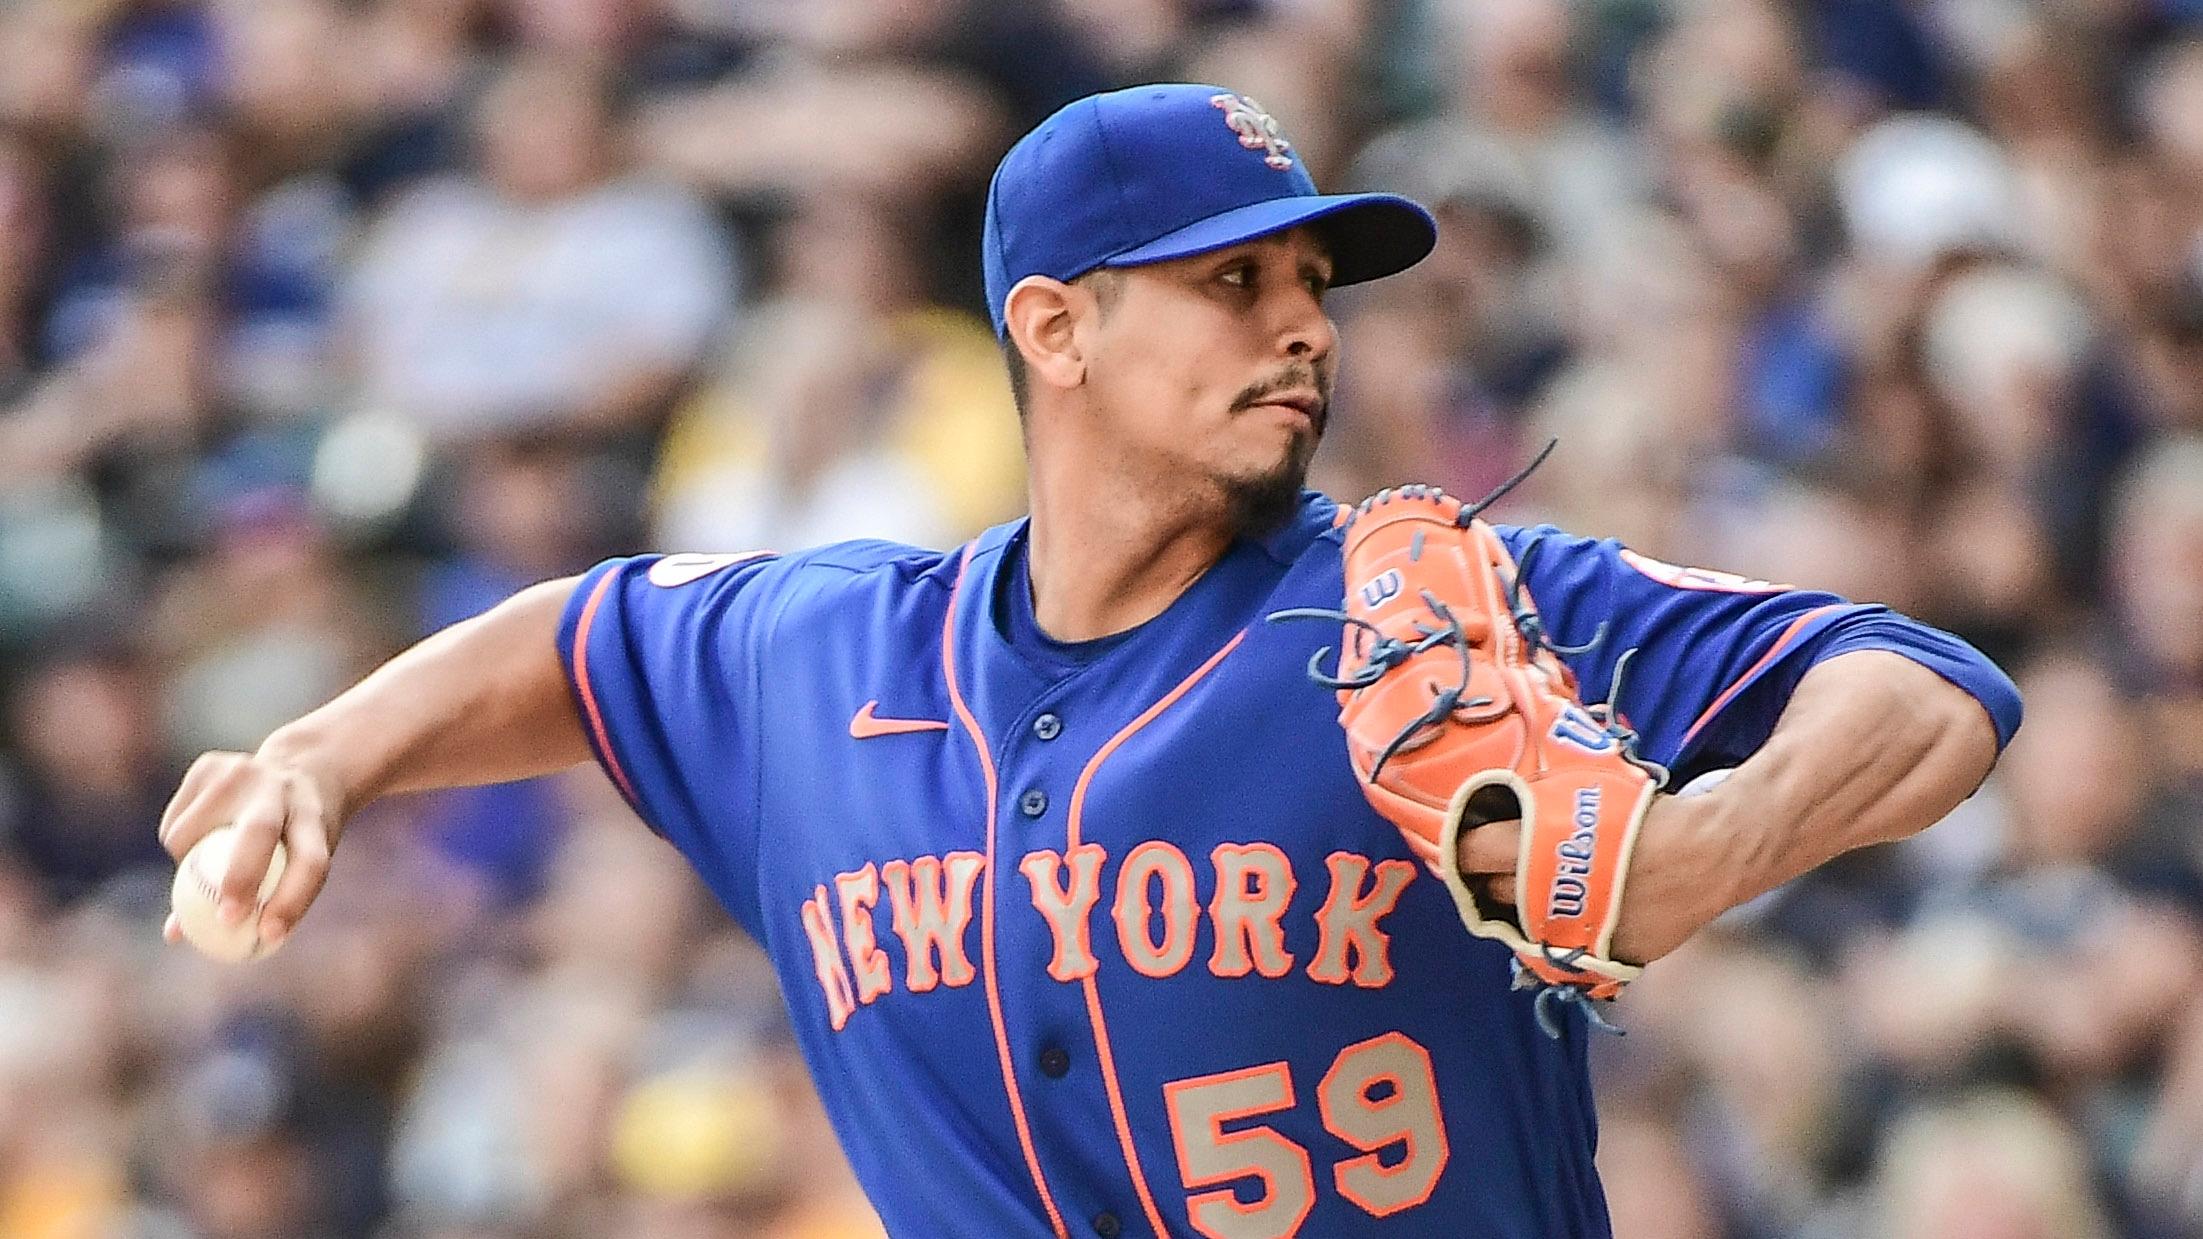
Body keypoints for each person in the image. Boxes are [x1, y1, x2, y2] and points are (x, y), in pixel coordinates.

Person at [157, 84, 2019, 1237]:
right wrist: (319, 756)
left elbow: (1925, 690)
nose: (1302, 331)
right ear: (1052, 325)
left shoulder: (1431, 608)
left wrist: (1711, 847)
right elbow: (577, 640)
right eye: (1234, 284)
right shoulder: (827, 656)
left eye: (1312, 288)